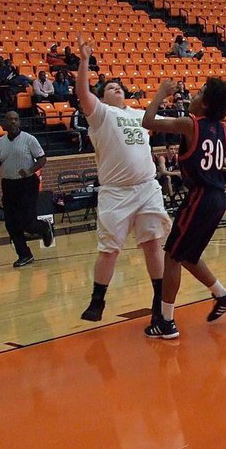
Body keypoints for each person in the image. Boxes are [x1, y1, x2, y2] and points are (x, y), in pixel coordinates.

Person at [75, 37, 171, 322]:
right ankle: (97, 299)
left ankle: (159, 296)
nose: (115, 87)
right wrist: (84, 62)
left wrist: (163, 95)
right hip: (115, 193)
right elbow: (82, 92)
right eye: (108, 87)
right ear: (101, 97)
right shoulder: (101, 114)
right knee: (109, 250)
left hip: (146, 189)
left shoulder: (140, 114)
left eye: (118, 86)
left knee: (153, 244)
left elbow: (162, 122)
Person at [141, 78, 226, 339]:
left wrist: (162, 93)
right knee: (187, 255)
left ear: (205, 104)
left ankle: (166, 321)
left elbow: (148, 122)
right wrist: (217, 160)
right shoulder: (219, 129)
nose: (194, 96)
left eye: (199, 93)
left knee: (172, 256)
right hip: (217, 199)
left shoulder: (190, 125)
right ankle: (224, 296)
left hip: (200, 197)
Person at [0, 111, 54, 267]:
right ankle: (24, 255)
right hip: (9, 185)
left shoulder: (29, 139)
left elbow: (42, 159)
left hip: (27, 183)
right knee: (11, 224)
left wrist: (30, 170)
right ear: (4, 123)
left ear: (19, 122)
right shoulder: (1, 142)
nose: (13, 122)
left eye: (16, 119)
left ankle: (45, 227)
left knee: (28, 222)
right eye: (10, 119)